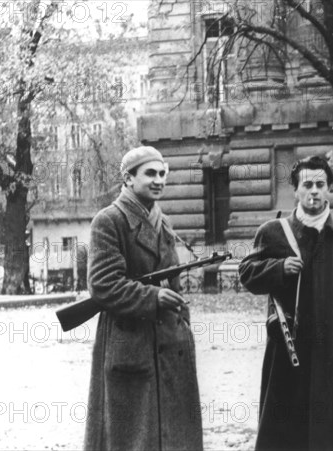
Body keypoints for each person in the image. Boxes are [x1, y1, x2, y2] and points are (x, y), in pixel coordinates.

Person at [239, 156, 333, 451]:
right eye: (307, 184)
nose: (314, 191)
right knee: (285, 431)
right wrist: (278, 268)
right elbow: (246, 274)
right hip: (288, 353)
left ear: (329, 190)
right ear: (296, 191)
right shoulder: (272, 232)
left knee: (330, 433)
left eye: (320, 185)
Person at [84, 146, 203, 451]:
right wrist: (153, 296)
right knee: (132, 436)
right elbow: (103, 283)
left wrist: (181, 319)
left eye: (163, 173)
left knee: (174, 436)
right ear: (128, 178)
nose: (159, 180)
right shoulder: (109, 220)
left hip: (169, 341)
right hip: (130, 340)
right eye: (150, 173)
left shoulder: (161, 220)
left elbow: (173, 276)